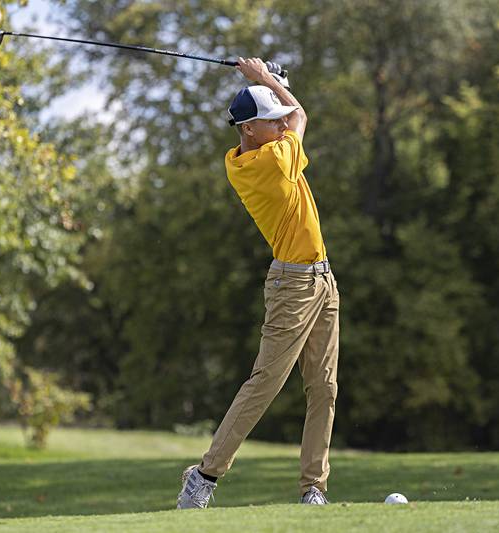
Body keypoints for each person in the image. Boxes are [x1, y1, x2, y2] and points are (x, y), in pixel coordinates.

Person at [176, 57, 340, 509]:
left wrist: (271, 84)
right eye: (267, 121)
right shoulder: (268, 162)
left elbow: (286, 114)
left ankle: (313, 489)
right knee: (265, 383)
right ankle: (205, 476)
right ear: (249, 130)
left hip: (323, 280)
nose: (278, 124)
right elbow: (299, 115)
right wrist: (266, 80)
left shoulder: (253, 150)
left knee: (324, 387)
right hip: (292, 287)